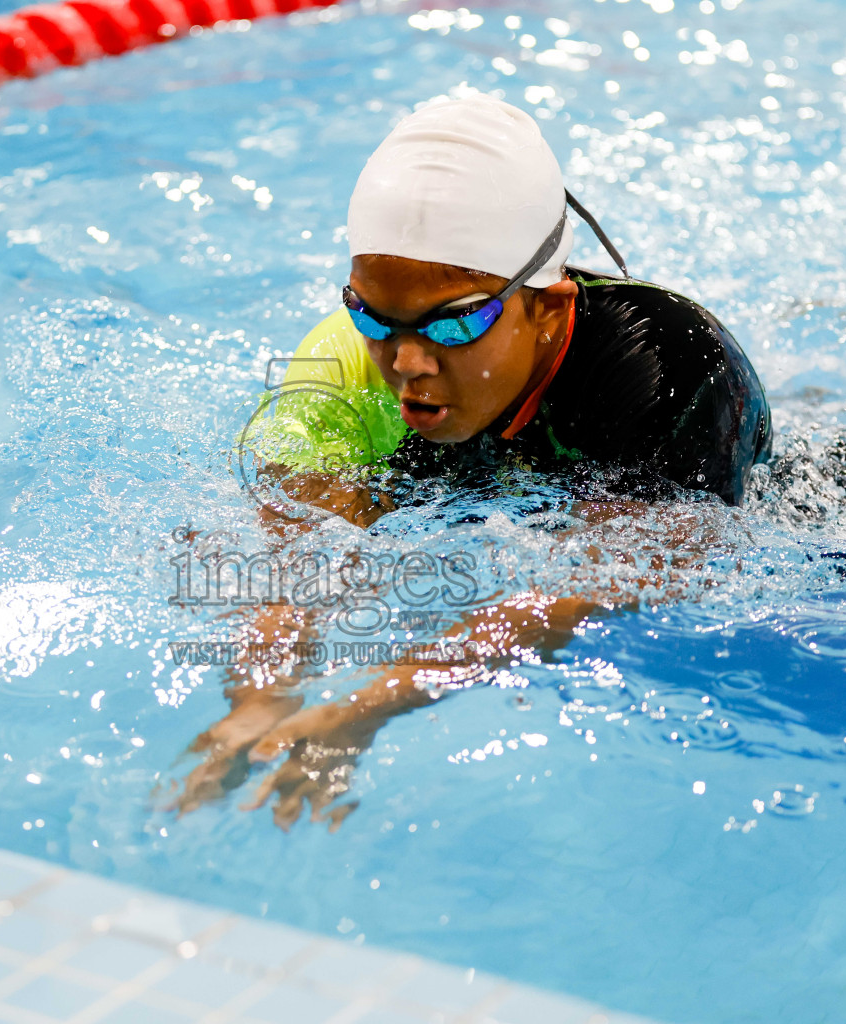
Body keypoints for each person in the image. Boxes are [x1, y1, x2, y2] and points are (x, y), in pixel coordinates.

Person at [170, 93, 773, 830]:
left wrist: (372, 703)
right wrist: (259, 699)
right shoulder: (339, 369)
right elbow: (294, 563)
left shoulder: (666, 364)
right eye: (371, 315)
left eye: (455, 322)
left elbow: (616, 579)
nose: (407, 362)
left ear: (545, 307)